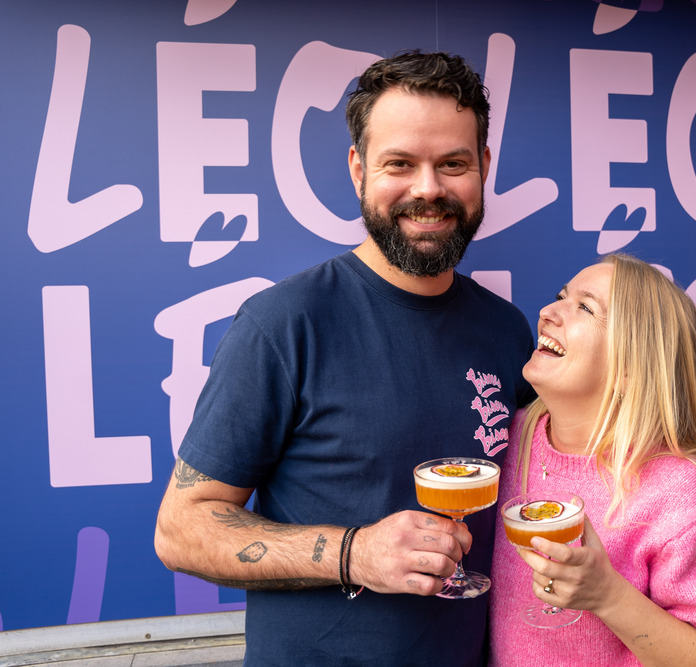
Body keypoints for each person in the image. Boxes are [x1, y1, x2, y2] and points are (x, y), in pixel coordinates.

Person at [154, 50, 536, 665]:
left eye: (453, 164)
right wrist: (356, 553)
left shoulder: (507, 329)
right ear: (359, 169)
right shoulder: (284, 323)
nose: (428, 189)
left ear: (483, 167)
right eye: (400, 164)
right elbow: (180, 530)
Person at [489, 254, 696, 666]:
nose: (547, 312)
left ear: (631, 367)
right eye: (560, 297)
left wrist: (607, 595)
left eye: (584, 307)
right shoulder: (509, 439)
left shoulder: (681, 497)